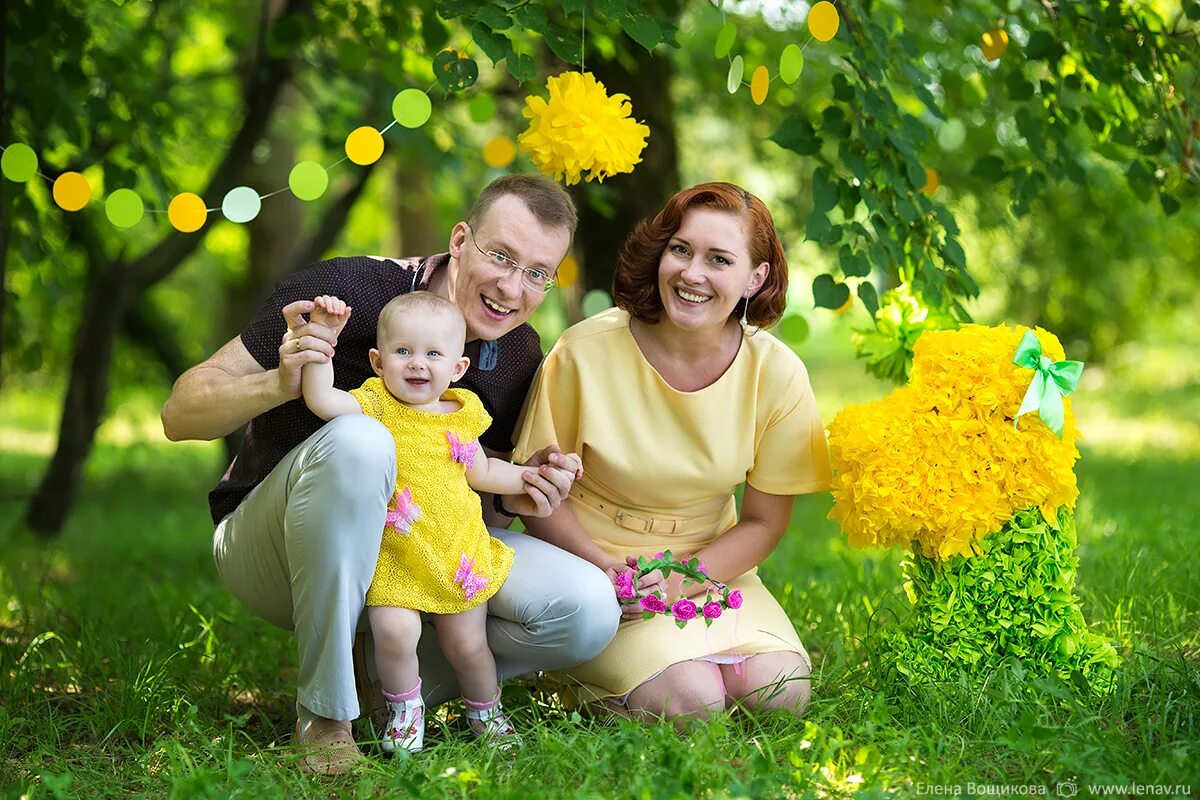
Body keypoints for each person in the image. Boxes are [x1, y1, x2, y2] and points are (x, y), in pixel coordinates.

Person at [160, 175, 620, 773]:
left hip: (413, 557)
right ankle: (326, 716)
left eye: (537, 272)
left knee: (586, 611)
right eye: (500, 256)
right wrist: (279, 381)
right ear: (460, 240)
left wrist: (522, 486)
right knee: (361, 438)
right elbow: (179, 413)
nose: (512, 287)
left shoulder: (517, 354)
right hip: (274, 549)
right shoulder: (344, 292)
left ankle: (395, 689)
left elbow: (473, 493)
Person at [513, 182, 832, 728]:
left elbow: (762, 522)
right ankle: (579, 684)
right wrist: (607, 570)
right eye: (681, 249)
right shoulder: (585, 351)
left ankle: (679, 668)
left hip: (711, 561)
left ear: (754, 278)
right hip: (592, 564)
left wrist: (690, 577)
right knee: (692, 702)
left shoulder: (776, 373)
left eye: (720, 260)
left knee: (783, 693)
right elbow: (533, 495)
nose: (691, 273)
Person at [300, 291, 582, 754]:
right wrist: (324, 341)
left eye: (433, 354)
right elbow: (320, 399)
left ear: (457, 369)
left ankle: (486, 711)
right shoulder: (375, 406)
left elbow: (484, 473)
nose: (417, 364)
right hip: (396, 554)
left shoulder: (460, 414)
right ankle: (405, 710)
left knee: (468, 646)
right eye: (403, 351)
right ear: (377, 361)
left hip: (455, 551)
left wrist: (530, 475)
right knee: (395, 632)